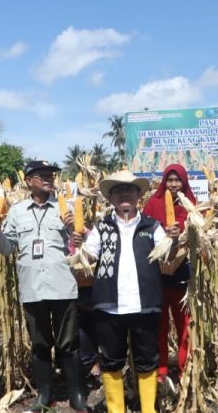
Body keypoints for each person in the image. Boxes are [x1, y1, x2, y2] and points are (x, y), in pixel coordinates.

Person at [76, 170, 180, 413]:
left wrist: (174, 240)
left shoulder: (152, 226)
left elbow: (169, 257)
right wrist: (79, 245)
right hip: (109, 306)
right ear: (111, 197)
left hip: (145, 305)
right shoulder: (102, 227)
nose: (125, 194)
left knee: (147, 360)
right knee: (111, 361)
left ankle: (148, 409)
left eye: (130, 190)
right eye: (119, 190)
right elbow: (88, 257)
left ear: (138, 196)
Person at [0, 161, 88, 413]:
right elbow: (6, 249)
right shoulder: (17, 212)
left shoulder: (66, 208)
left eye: (50, 175)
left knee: (68, 343)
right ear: (28, 181)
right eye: (41, 175)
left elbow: (80, 248)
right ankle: (45, 396)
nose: (48, 178)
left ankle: (76, 394)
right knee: (40, 344)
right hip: (32, 287)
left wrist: (75, 231)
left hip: (63, 285)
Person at [141, 164, 195, 385]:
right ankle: (161, 369)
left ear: (184, 182)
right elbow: (143, 232)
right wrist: (164, 234)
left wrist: (184, 236)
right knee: (159, 325)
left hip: (181, 273)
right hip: (158, 274)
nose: (173, 184)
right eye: (170, 180)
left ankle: (185, 369)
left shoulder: (190, 204)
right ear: (164, 182)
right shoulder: (153, 204)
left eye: (177, 180)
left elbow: (199, 235)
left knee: (184, 325)